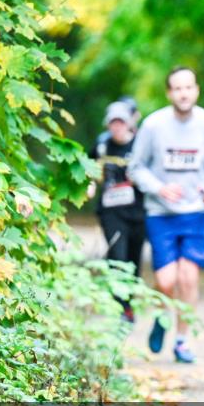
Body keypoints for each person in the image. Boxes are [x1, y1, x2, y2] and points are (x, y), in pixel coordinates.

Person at [128, 67, 204, 363]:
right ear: (169, 93)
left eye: (189, 87)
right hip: (161, 214)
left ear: (196, 90)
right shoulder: (153, 125)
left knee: (188, 278)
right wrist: (159, 188)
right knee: (166, 280)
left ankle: (182, 341)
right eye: (177, 88)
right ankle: (161, 317)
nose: (183, 93)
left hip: (196, 212)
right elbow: (136, 167)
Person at [87, 99, 146, 323]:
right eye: (113, 122)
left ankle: (128, 303)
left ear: (129, 123)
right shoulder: (102, 145)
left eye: (121, 122)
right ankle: (119, 305)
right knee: (117, 255)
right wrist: (90, 183)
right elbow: (88, 167)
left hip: (137, 212)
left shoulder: (139, 145)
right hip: (111, 212)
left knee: (133, 259)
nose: (117, 127)